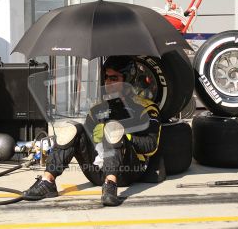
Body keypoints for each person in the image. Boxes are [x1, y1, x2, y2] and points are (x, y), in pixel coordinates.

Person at [24, 56, 165, 206]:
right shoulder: (98, 109)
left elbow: (151, 146)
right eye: (106, 77)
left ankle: (111, 185)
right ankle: (47, 182)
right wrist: (94, 136)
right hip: (96, 172)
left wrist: (124, 136)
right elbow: (85, 142)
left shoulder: (147, 108)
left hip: (128, 172)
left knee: (113, 129)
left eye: (114, 78)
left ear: (127, 80)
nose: (108, 83)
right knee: (72, 129)